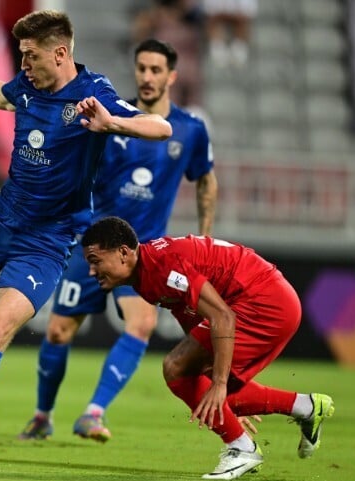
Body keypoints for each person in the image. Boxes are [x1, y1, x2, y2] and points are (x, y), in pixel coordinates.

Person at [0, 9, 173, 465]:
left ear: (60, 53)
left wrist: (112, 124)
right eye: (22, 55)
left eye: (31, 56)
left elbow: (160, 127)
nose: (23, 64)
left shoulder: (94, 93)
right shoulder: (26, 86)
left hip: (47, 240)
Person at [18, 39, 217, 443]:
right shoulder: (110, 115)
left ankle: (93, 413)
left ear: (171, 77)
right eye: (141, 68)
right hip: (93, 244)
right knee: (57, 332)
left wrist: (205, 236)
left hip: (144, 252)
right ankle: (42, 416)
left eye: (156, 70)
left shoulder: (191, 130)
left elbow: (206, 181)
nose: (147, 76)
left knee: (142, 324)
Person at [80, 216, 335, 480]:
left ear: (123, 253)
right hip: (266, 297)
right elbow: (191, 316)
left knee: (176, 368)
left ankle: (242, 448)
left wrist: (221, 383)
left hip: (265, 302)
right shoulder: (145, 275)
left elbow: (222, 317)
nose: (91, 271)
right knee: (199, 384)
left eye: (95, 261)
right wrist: (220, 392)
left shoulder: (162, 266)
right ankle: (306, 406)